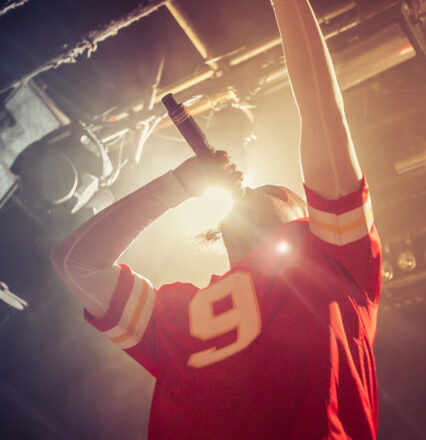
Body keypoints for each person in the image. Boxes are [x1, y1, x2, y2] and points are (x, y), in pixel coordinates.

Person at [51, 0, 381, 438]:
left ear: (307, 220)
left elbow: (322, 107)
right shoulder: (180, 315)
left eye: (269, 191)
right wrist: (178, 184)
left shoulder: (336, 261)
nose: (249, 189)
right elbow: (74, 263)